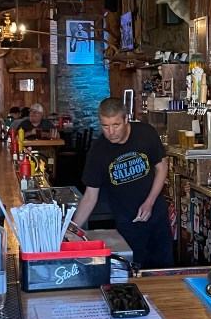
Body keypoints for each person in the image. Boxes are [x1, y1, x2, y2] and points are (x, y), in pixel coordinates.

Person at [72, 97, 173, 269]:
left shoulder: (145, 133)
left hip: (156, 214)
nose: (111, 132)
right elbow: (90, 196)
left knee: (164, 269)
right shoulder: (98, 151)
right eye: (105, 126)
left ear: (126, 119)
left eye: (116, 125)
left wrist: (149, 202)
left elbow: (162, 168)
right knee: (134, 270)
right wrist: (72, 229)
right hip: (127, 221)